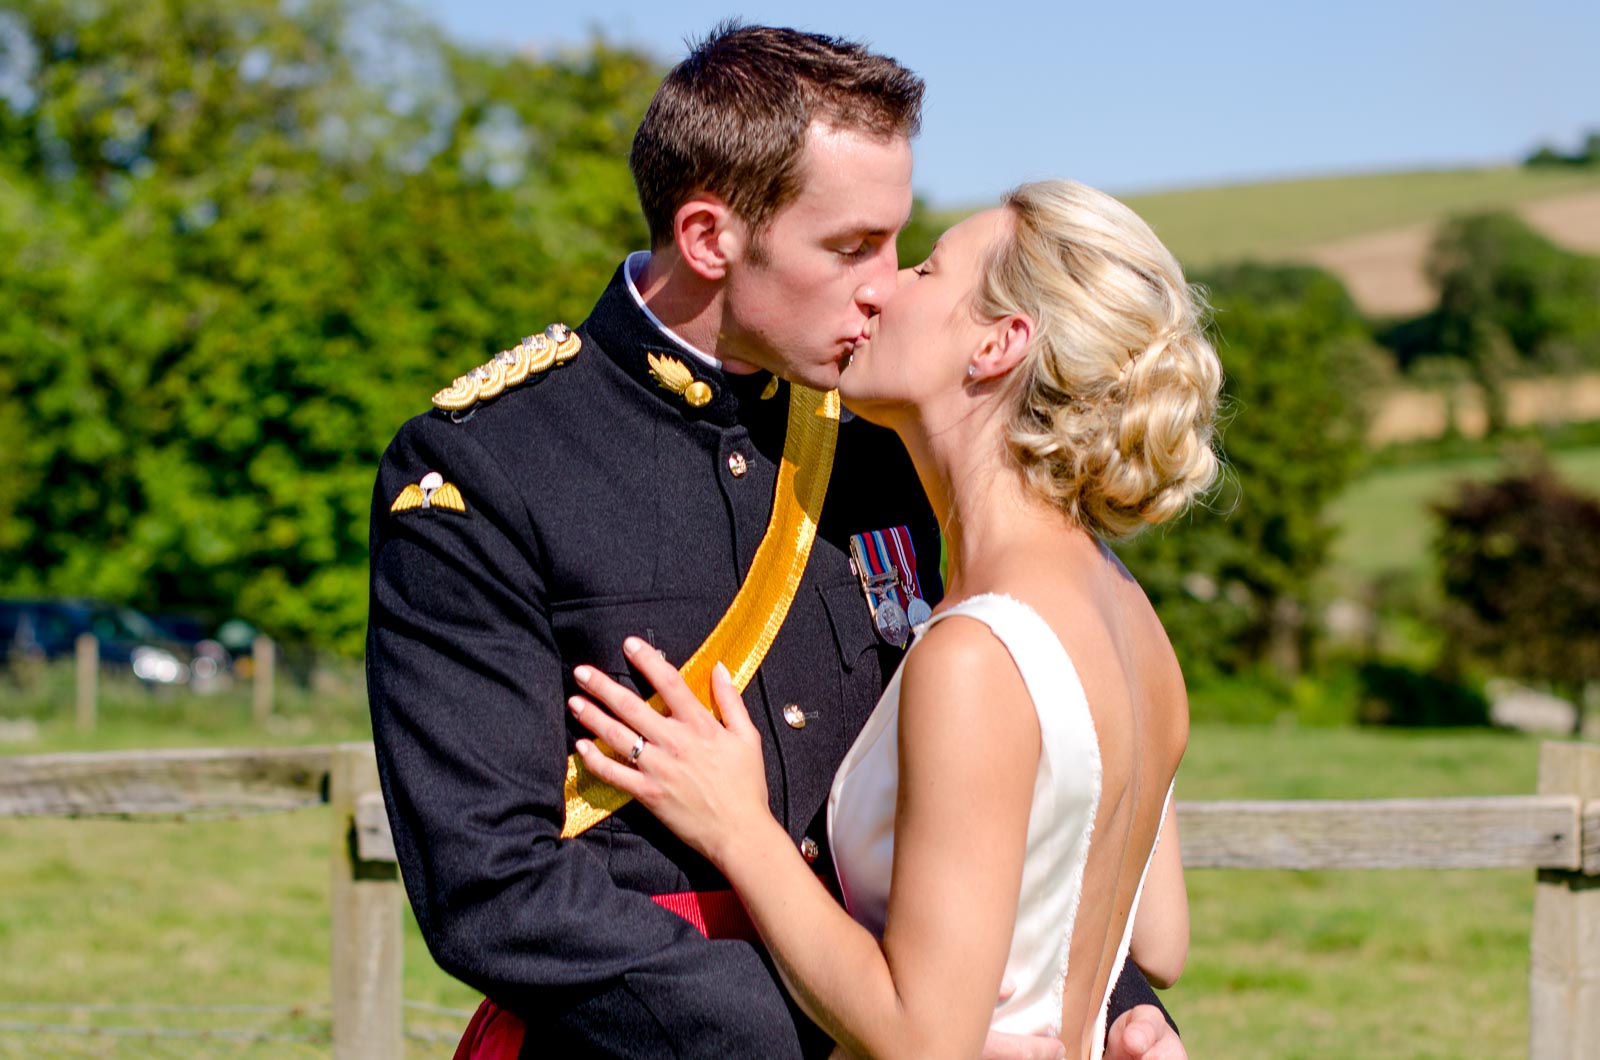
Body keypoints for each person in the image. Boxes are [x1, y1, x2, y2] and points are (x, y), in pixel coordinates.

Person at [367, 23, 1183, 1059]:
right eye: (849, 248)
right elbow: (490, 884)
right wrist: (847, 1032)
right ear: (711, 238)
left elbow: (1021, 795)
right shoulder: (491, 465)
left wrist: (1111, 1008)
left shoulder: (893, 445)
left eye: (899, 243)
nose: (884, 284)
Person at [566, 178, 1219, 1060]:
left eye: (926, 269)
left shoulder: (980, 652)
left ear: (999, 343)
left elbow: (922, 1039)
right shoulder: (1133, 616)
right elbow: (1159, 941)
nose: (883, 287)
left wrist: (737, 825)